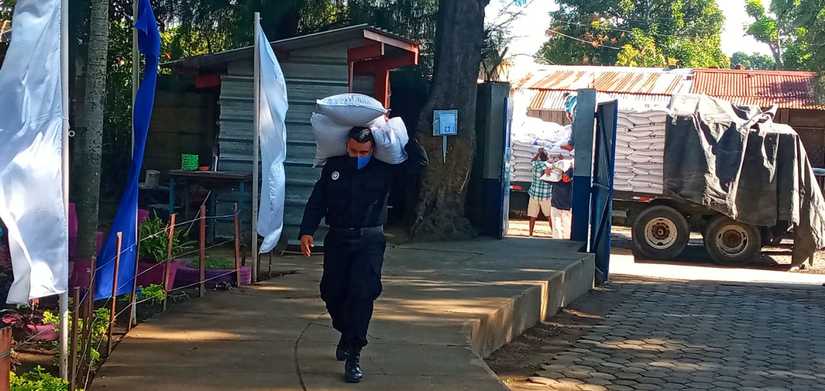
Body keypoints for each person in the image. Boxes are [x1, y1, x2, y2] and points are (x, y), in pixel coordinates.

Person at [299, 126, 396, 384]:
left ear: (372, 149)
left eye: (363, 151)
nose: (357, 156)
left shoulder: (384, 169)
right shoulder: (334, 167)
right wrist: (306, 231)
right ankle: (346, 331)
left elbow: (418, 166)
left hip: (370, 240)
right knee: (331, 292)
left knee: (362, 293)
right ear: (346, 147)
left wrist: (396, 134)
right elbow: (318, 200)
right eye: (353, 151)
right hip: (339, 238)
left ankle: (354, 353)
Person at [527, 148, 553, 237]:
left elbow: (532, 160)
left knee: (532, 216)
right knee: (549, 216)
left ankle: (530, 234)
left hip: (534, 194)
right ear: (547, 157)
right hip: (546, 196)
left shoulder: (535, 164)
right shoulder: (550, 166)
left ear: (539, 157)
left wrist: (537, 154)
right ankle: (554, 233)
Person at [551, 162, 574, 239]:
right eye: (564, 175)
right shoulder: (556, 180)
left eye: (567, 176)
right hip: (555, 206)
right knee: (556, 228)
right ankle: (557, 244)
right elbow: (544, 178)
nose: (565, 177)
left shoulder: (572, 184)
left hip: (566, 209)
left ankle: (566, 244)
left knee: (567, 229)